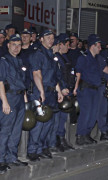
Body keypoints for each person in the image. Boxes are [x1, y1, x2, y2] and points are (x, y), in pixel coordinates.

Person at [27, 29, 69, 161]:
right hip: (41, 91)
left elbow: (54, 76)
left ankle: (42, 147)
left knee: (49, 122)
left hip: (51, 91)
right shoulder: (37, 54)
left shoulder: (51, 55)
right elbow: (36, 74)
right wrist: (41, 92)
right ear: (41, 39)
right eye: (48, 37)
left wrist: (58, 90)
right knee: (39, 122)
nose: (51, 40)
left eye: (52, 37)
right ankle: (33, 150)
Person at [0, 34, 28, 174]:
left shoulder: (20, 61)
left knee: (16, 131)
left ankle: (12, 157)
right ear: (8, 45)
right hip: (9, 98)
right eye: (13, 44)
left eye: (19, 45)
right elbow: (0, 82)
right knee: (5, 130)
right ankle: (1, 159)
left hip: (20, 98)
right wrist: (4, 101)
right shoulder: (3, 61)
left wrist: (25, 100)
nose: (16, 47)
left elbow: (22, 83)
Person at [73, 34, 104, 145]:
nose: (100, 48)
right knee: (86, 113)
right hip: (86, 89)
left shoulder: (96, 59)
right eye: (99, 46)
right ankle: (80, 135)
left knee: (93, 113)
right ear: (93, 46)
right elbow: (78, 73)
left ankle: (86, 134)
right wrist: (76, 86)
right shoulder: (83, 57)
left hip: (95, 89)